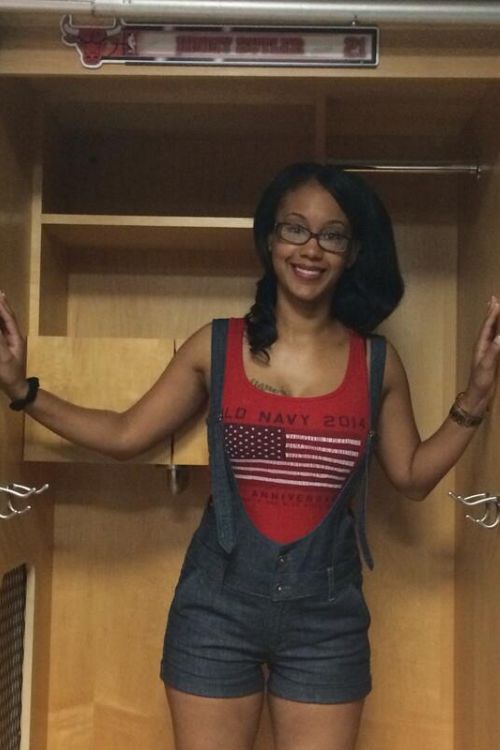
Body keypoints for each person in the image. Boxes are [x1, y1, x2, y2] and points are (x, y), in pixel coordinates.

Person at [0, 162, 499, 750]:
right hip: (215, 607)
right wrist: (21, 390)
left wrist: (477, 395)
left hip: (328, 617)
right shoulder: (216, 347)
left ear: (353, 250)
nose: (311, 249)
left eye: (332, 234)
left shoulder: (377, 364)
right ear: (269, 239)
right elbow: (125, 434)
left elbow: (411, 477)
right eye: (294, 228)